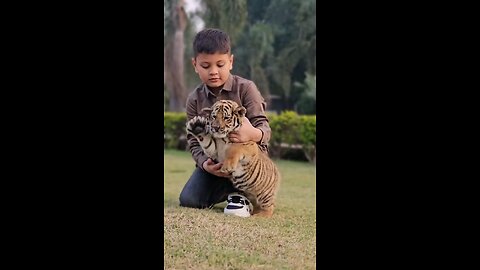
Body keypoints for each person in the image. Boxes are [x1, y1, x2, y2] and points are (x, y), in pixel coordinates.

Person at [179, 28, 272, 217]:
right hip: (216, 163)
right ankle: (231, 191)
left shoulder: (246, 89)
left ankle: (244, 192)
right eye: (205, 66)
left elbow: (265, 129)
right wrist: (205, 164)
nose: (213, 72)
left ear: (230, 62)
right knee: (189, 200)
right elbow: (193, 141)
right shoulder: (194, 99)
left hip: (247, 162)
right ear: (195, 65)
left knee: (242, 157)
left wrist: (252, 134)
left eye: (220, 64)